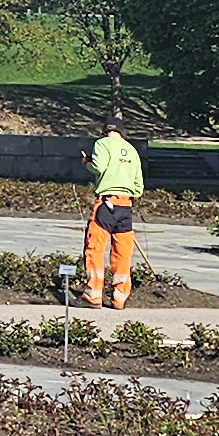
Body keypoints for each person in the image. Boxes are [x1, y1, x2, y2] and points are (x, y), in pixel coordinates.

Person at [83, 115, 145, 310]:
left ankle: (93, 294)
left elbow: (99, 167)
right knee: (122, 253)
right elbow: (139, 187)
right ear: (122, 132)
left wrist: (87, 164)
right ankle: (119, 297)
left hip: (106, 204)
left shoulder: (102, 144)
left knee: (95, 248)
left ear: (105, 131)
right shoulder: (132, 150)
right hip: (125, 207)